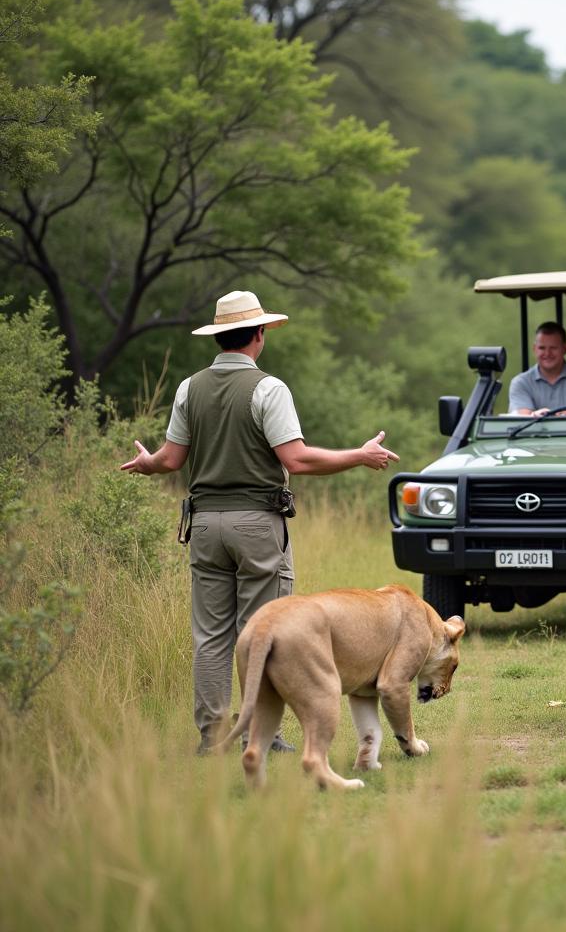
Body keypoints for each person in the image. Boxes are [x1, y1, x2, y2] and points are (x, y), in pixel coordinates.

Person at [119, 290, 400, 756]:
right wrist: (359, 455)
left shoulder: (190, 387)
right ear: (259, 335)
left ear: (219, 336)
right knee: (266, 633)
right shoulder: (270, 389)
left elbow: (169, 459)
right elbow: (298, 459)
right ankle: (261, 737)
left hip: (204, 525)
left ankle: (211, 737)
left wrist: (147, 464)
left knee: (211, 637)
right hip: (257, 525)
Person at [508, 321, 566, 416]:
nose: (547, 353)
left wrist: (541, 415)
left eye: (553, 348)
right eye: (542, 348)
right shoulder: (520, 382)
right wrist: (565, 414)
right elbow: (523, 421)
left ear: (565, 348)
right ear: (534, 349)